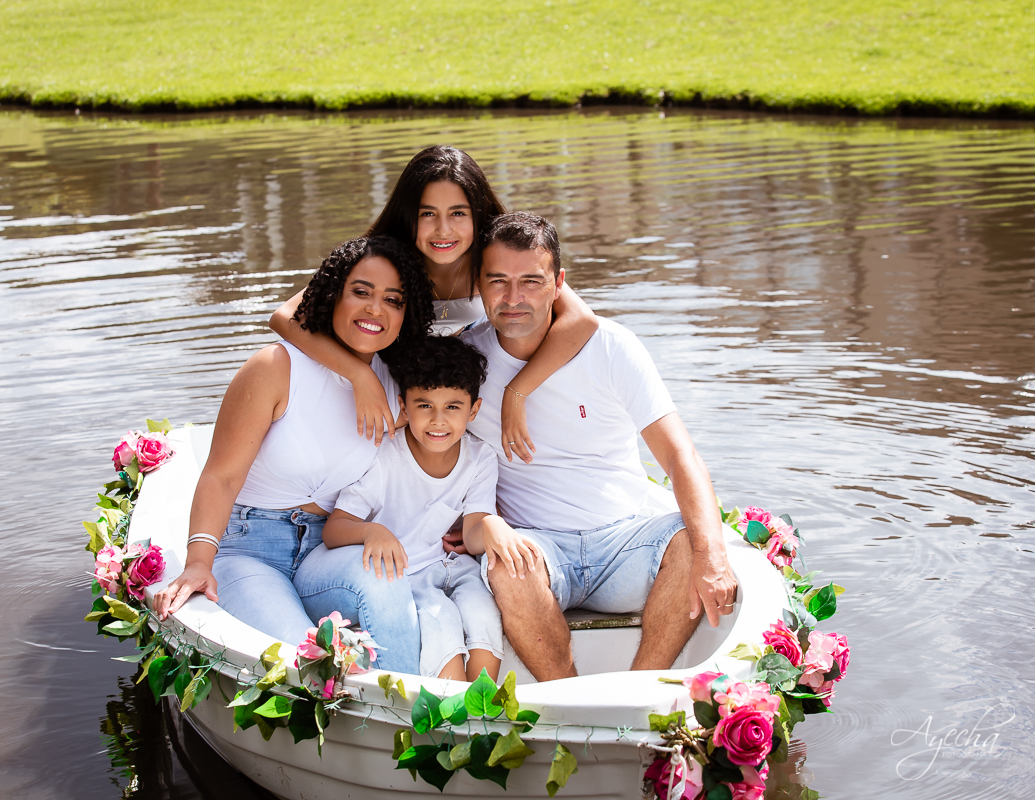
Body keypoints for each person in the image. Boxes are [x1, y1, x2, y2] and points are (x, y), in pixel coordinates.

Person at [454, 212, 739, 681]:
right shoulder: (465, 362)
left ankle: (638, 691)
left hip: (624, 540)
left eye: (531, 281)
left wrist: (712, 557)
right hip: (537, 544)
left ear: (559, 282)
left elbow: (678, 455)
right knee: (508, 565)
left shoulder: (611, 347)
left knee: (693, 541)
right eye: (497, 281)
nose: (512, 298)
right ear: (479, 284)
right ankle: (570, 703)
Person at [152, 236, 433, 672]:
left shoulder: (397, 387)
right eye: (361, 292)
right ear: (331, 295)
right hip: (250, 548)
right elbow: (221, 476)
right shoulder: (276, 367)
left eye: (392, 300)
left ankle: (412, 719)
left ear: (405, 315)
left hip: (325, 547)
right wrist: (197, 562)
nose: (375, 309)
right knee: (304, 656)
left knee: (386, 583)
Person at [268, 145, 598, 464]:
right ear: (409, 215)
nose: (443, 230)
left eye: (458, 213)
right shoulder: (386, 260)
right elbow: (286, 317)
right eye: (428, 214)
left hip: (482, 413)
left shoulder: (501, 260)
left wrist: (518, 392)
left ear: (478, 214)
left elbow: (581, 320)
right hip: (399, 415)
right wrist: (358, 375)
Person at [318, 337, 537, 681]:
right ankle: (452, 720)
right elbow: (333, 529)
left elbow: (474, 534)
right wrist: (372, 531)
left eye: (452, 407)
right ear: (404, 407)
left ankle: (483, 712)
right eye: (424, 406)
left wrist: (493, 525)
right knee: (442, 619)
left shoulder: (479, 458)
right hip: (402, 576)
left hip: (449, 566)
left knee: (483, 613)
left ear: (473, 410)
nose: (438, 421)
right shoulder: (384, 457)